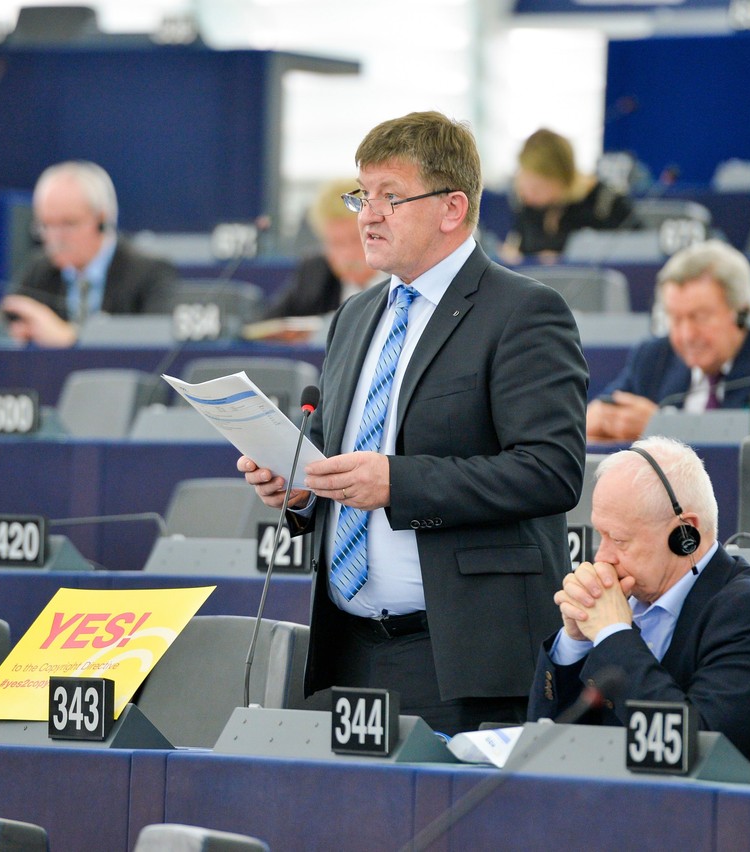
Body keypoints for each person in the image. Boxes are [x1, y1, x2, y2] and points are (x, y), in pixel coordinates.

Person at [237, 111, 589, 736]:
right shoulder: (355, 315)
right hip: (347, 651)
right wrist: (300, 489)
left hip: (462, 660)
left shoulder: (525, 312)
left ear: (453, 208)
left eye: (390, 197)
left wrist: (398, 483)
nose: (367, 215)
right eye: (362, 196)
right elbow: (336, 452)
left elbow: (550, 471)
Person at [528, 436, 750, 779]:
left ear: (685, 534)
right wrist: (576, 641)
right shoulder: (625, 600)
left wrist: (613, 635)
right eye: (601, 536)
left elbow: (690, 746)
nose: (602, 557)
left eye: (620, 540)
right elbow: (545, 745)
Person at [586, 239, 750, 443]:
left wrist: (664, 428)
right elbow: (601, 414)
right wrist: (599, 420)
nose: (687, 335)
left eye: (700, 317)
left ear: (742, 313)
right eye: (675, 319)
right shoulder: (653, 356)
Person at [1, 161, 178, 347]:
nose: (55, 237)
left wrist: (73, 338)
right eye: (46, 225)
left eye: (68, 223)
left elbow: (156, 342)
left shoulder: (149, 273)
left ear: (102, 221)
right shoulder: (39, 271)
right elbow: (5, 325)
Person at [499, 128, 635, 265]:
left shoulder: (606, 205)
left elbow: (637, 254)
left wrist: (563, 261)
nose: (527, 195)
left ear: (561, 177)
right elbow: (518, 248)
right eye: (523, 188)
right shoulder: (528, 206)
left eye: (537, 189)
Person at [263, 177, 386, 321]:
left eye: (356, 239)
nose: (347, 253)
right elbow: (267, 325)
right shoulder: (314, 274)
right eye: (336, 243)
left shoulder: (402, 276)